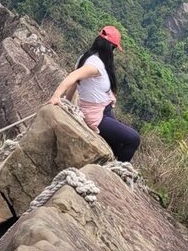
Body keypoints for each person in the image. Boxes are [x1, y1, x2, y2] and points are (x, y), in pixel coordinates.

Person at [47, 25, 140, 162]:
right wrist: (56, 97)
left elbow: (75, 83)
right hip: (96, 116)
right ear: (109, 47)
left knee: (118, 142)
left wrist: (67, 101)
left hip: (104, 110)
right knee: (133, 139)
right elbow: (72, 77)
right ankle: (117, 171)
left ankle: (114, 163)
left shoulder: (87, 58)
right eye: (114, 49)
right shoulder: (94, 65)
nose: (113, 53)